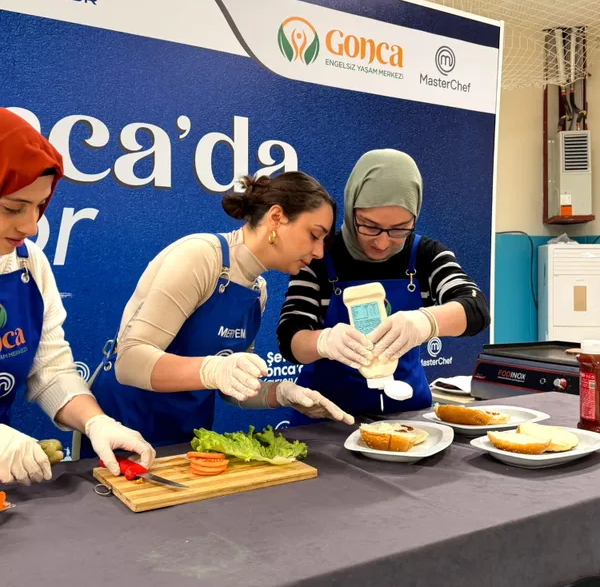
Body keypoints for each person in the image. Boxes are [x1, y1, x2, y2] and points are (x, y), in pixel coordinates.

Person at [86, 171, 354, 452]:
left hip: (184, 438)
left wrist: (282, 393)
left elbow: (231, 388)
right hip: (122, 429)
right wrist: (213, 370)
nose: (319, 252)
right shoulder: (201, 257)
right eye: (314, 235)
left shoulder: (258, 292)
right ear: (276, 217)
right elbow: (130, 363)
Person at [0, 108, 155, 486]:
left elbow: (50, 370)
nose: (31, 226)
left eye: (39, 206)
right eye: (13, 208)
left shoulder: (29, 264)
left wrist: (95, 421)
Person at [277, 149, 490, 415]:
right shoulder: (319, 255)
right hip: (326, 418)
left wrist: (425, 322)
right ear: (352, 209)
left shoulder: (425, 256)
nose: (382, 242)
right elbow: (290, 338)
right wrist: (324, 342)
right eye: (369, 226)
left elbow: (476, 308)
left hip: (408, 416)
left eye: (399, 229)